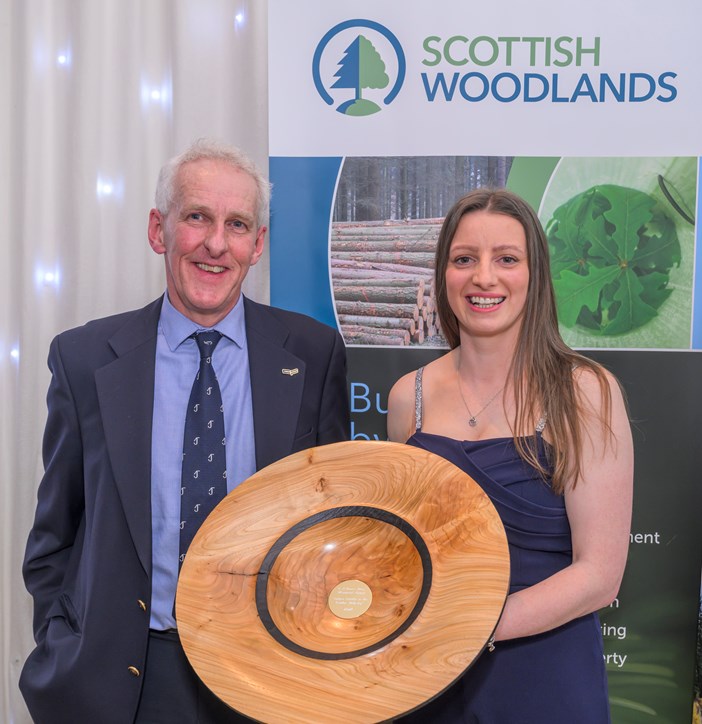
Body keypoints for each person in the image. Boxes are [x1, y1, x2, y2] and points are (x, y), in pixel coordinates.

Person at [20, 138, 350, 724]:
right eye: (197, 217)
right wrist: (64, 643)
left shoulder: (313, 354)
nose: (216, 244)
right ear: (159, 230)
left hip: (269, 674)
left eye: (237, 224)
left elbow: (333, 528)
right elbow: (55, 538)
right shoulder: (85, 359)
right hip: (127, 683)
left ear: (257, 244)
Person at [387, 189, 633, 722]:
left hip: (546, 675)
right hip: (428, 679)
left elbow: (600, 574)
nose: (484, 277)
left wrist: (472, 628)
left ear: (535, 274)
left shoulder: (585, 392)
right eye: (464, 259)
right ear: (443, 274)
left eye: (506, 259)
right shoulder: (409, 397)